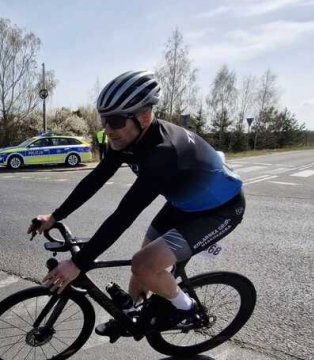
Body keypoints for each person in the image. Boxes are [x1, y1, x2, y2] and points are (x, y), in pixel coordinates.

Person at [29, 70, 245, 338]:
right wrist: (55, 216)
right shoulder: (126, 138)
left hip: (221, 210)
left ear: (143, 116)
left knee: (143, 264)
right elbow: (95, 179)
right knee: (142, 264)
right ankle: (133, 313)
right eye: (104, 120)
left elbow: (125, 214)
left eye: (115, 121)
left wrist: (78, 264)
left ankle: (187, 308)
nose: (107, 129)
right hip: (183, 205)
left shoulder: (164, 152)